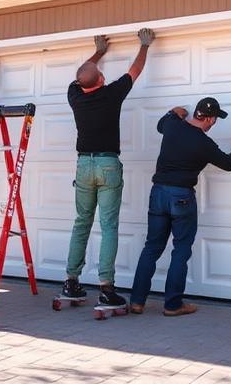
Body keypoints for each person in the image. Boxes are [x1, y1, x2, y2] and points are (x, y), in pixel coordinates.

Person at [129, 98, 231, 316]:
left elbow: (161, 124)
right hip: (181, 197)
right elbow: (229, 164)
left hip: (158, 192)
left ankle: (136, 301)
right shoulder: (204, 144)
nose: (213, 124)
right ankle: (172, 305)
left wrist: (173, 111)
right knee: (180, 250)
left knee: (151, 248)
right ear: (209, 118)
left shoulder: (172, 125)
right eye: (215, 120)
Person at [61, 28, 156, 308]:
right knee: (108, 225)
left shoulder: (74, 95)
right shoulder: (111, 93)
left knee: (81, 222)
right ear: (101, 79)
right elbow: (135, 70)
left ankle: (71, 281)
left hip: (83, 165)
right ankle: (106, 287)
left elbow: (83, 74)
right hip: (107, 165)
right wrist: (145, 45)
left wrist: (100, 52)